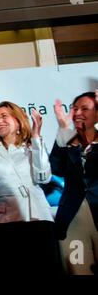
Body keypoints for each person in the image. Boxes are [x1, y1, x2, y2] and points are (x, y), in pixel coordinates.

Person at [0, 101, 62, 275]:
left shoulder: (33, 147)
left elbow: (43, 177)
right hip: (4, 224)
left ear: (18, 121)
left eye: (4, 116)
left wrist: (36, 137)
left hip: (37, 220)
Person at [50, 91, 98, 275]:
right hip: (73, 220)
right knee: (78, 270)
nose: (77, 113)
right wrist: (63, 129)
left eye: (85, 108)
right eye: (74, 108)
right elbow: (55, 169)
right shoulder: (68, 142)